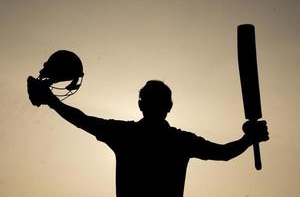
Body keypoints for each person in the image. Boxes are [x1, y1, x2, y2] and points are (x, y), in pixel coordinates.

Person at [27, 79, 269, 197]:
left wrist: (50, 100)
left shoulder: (125, 134)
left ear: (140, 104)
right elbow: (224, 153)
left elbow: (80, 119)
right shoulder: (180, 141)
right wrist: (248, 139)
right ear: (170, 106)